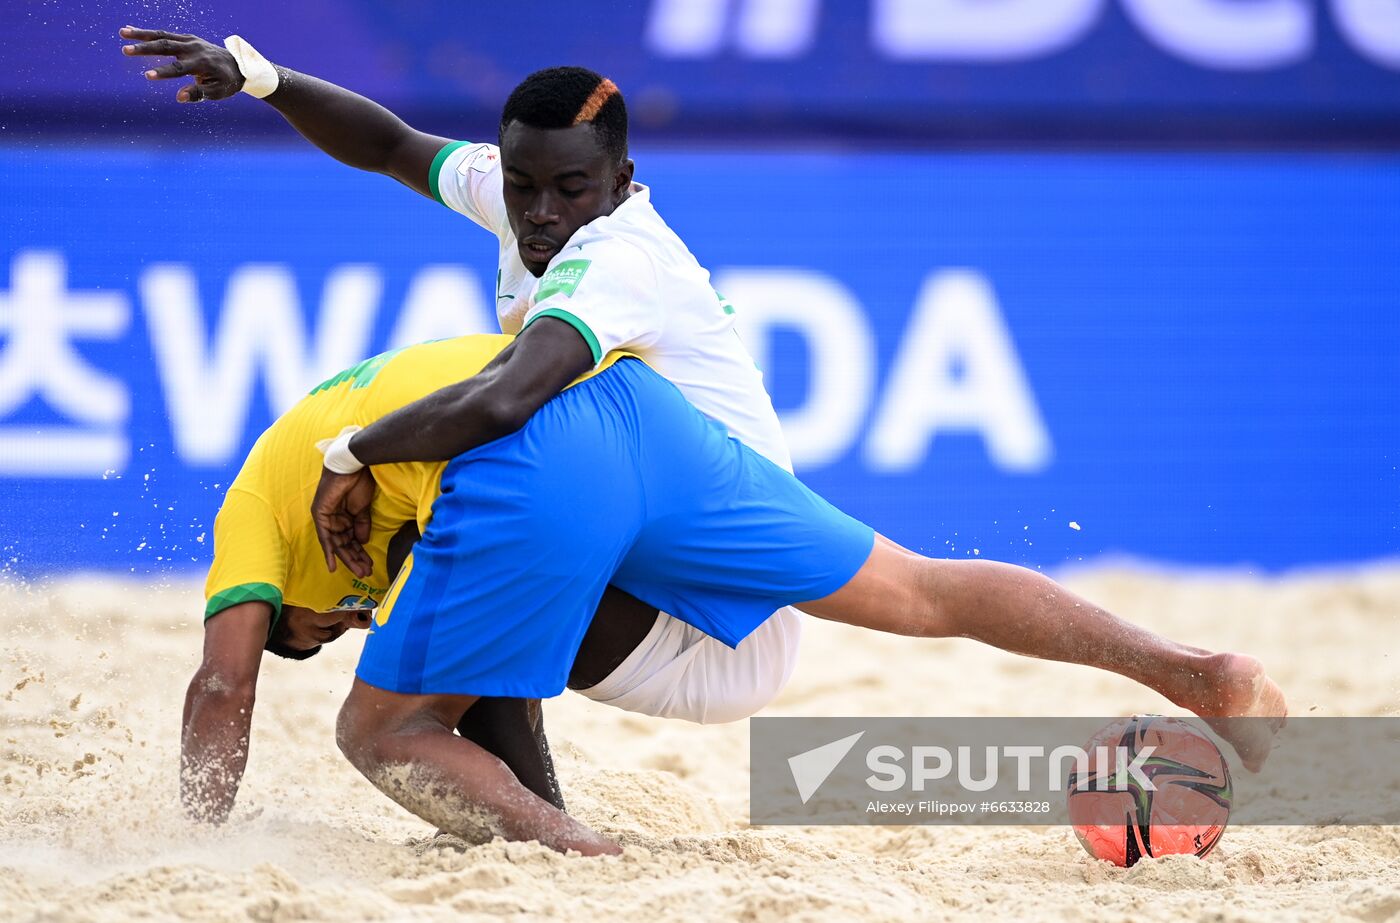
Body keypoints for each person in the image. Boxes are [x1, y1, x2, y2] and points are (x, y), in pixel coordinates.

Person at [186, 334, 1286, 856]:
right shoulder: (347, 458)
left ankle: (580, 860)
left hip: (520, 453)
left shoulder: (253, 519)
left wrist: (194, 836)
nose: (338, 628)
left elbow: (220, 679)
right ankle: (1192, 670)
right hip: (623, 402)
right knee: (914, 586)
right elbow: (488, 666)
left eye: (313, 630)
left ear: (278, 596)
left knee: (380, 729)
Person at [123, 25, 807, 733]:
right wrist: (267, 82)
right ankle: (530, 835)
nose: (542, 212)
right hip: (675, 548)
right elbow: (388, 145)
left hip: (716, 607)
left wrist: (354, 451)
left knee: (459, 543)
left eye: (570, 189)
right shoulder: (537, 196)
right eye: (522, 185)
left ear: (622, 181)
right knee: (473, 528)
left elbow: (506, 398)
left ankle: (539, 831)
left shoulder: (618, 260)